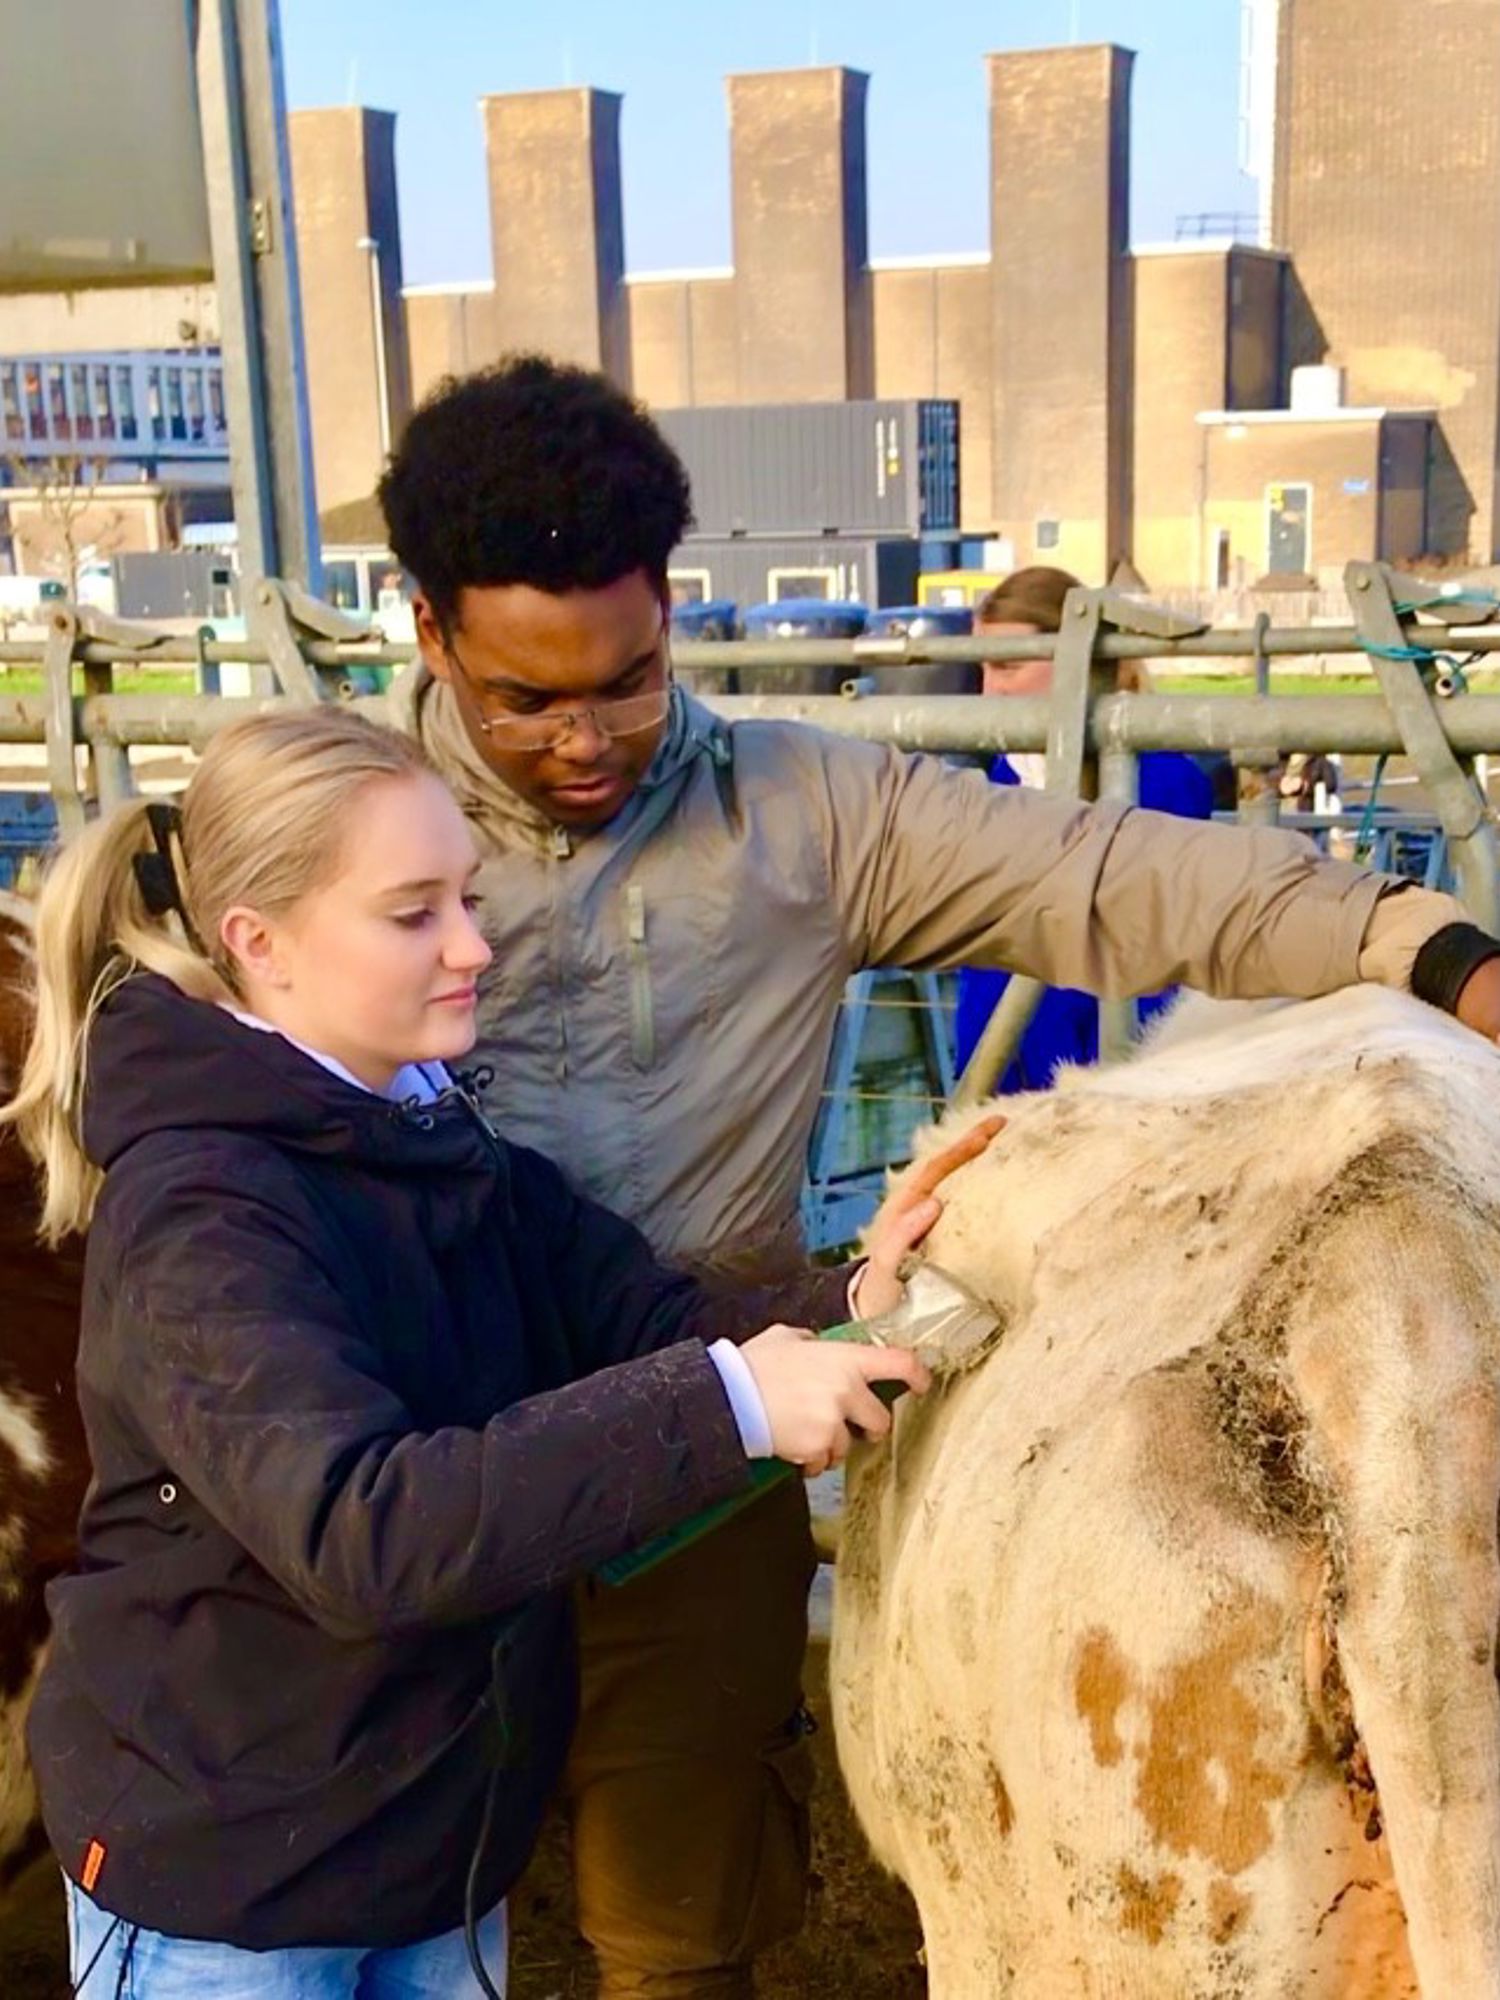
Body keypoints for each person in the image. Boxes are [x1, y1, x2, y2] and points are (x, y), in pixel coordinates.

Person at [381, 355, 1500, 2000]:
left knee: (676, 1942)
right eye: (523, 700)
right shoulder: (344, 839)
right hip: (412, 1460)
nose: (585, 739)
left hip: (698, 1438)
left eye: (622, 682)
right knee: (373, 1903)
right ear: (426, 632)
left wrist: (1438, 949)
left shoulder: (807, 810)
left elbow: (1119, 876)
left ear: (670, 608)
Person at [3, 707, 962, 1997]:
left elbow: (646, 1318)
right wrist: (732, 1401)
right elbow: (366, 1527)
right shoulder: (203, 1211)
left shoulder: (439, 1140)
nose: (473, 945)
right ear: (259, 943)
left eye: (466, 893)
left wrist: (863, 1295)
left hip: (434, 1848)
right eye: (414, 913)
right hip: (230, 1894)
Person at [951, 565, 1215, 1086]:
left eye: (1009, 667)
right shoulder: (1006, 774)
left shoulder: (1160, 781)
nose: (990, 692)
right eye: (982, 669)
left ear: (1080, 661)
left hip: (1093, 1083)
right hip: (995, 1074)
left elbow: (1149, 964)